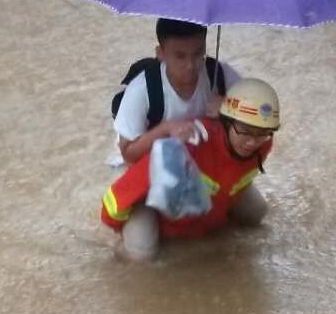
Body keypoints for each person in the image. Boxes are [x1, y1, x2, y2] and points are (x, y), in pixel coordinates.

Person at [101, 79, 279, 262]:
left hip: (211, 201)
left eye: (261, 133)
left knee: (257, 212)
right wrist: (114, 226)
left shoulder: (264, 144)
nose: (251, 142)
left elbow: (236, 177)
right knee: (140, 254)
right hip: (152, 208)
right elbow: (122, 193)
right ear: (226, 122)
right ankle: (118, 246)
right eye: (245, 131)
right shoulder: (190, 142)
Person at [112, 18, 239, 166]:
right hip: (159, 167)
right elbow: (128, 155)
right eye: (180, 56)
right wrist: (165, 130)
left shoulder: (219, 74)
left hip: (206, 162)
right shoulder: (141, 90)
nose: (190, 65)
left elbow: (259, 109)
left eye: (198, 54)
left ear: (205, 47)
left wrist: (229, 108)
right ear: (160, 53)